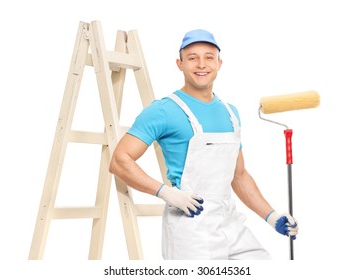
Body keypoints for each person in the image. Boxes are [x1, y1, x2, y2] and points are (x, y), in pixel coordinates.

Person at [109, 29, 298, 260]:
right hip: (191, 227)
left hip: (230, 222)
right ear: (179, 64)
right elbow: (120, 160)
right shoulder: (164, 110)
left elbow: (239, 176)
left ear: (219, 63)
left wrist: (272, 217)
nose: (201, 64)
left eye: (209, 57)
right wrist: (166, 193)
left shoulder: (231, 113)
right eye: (192, 57)